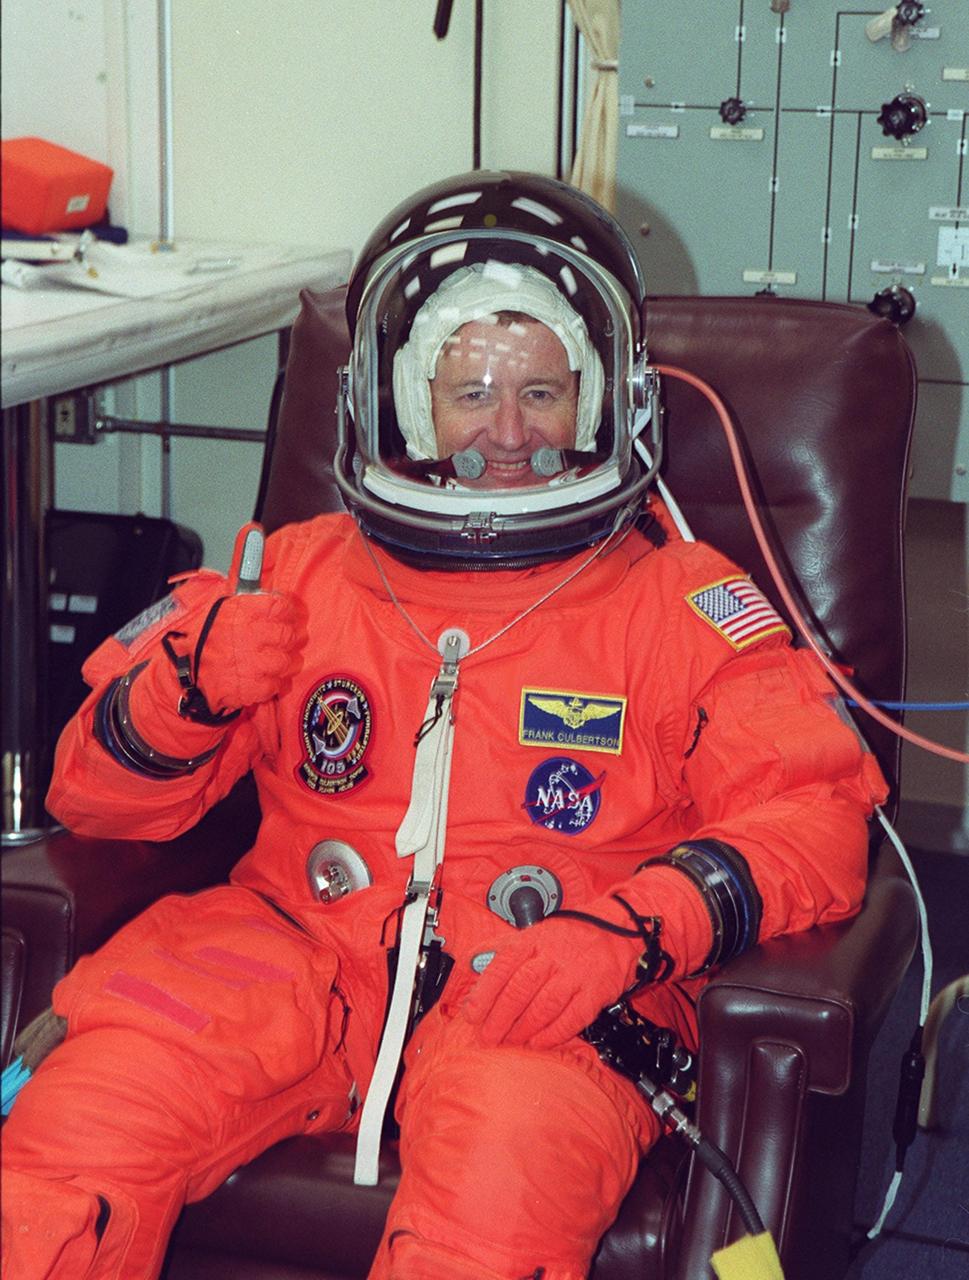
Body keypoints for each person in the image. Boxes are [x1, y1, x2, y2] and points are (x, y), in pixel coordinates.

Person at [1, 171, 887, 1280]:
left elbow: (814, 813)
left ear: (605, 401)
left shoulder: (681, 601)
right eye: (470, 392)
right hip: (287, 947)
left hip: (546, 983)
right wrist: (188, 685)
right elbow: (91, 796)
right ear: (406, 405)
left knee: (491, 1213)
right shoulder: (296, 570)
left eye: (543, 394)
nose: (506, 435)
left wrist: (637, 924)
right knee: (67, 1140)